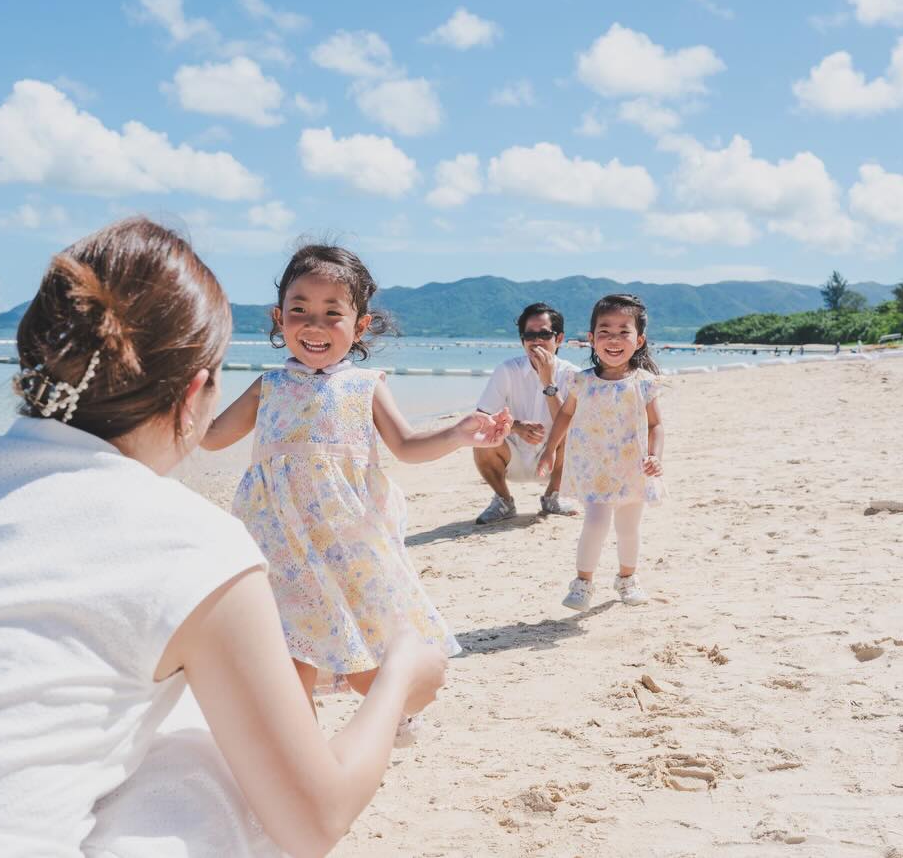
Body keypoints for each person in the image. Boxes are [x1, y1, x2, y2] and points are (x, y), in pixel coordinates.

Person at [0, 218, 448, 858]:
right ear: (196, 393)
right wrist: (395, 676)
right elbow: (314, 820)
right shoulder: (198, 544)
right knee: (210, 745)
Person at [202, 243, 510, 736]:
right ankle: (303, 754)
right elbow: (212, 437)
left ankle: (394, 710)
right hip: (276, 541)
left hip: (344, 542)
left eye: (332, 314)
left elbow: (407, 445)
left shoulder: (365, 385)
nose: (314, 326)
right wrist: (181, 395)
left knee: (358, 643)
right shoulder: (269, 386)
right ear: (279, 318)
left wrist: (457, 433)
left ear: (360, 325)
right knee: (289, 649)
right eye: (300, 311)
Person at [538, 294, 665, 611]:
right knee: (594, 523)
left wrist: (655, 456)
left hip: (632, 468)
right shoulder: (581, 381)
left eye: (624, 331)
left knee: (628, 529)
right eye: (605, 331)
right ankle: (582, 582)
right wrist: (549, 450)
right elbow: (565, 415)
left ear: (639, 340)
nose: (614, 339)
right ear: (591, 339)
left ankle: (627, 578)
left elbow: (655, 425)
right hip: (593, 467)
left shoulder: (644, 383)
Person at [472, 302, 582, 524]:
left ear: (559, 339)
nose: (536, 341)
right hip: (511, 455)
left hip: (555, 459)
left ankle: (553, 497)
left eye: (544, 334)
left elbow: (574, 423)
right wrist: (516, 426)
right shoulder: (507, 370)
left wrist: (549, 383)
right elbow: (480, 419)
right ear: (522, 340)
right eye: (529, 335)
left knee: (576, 433)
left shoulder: (573, 375)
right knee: (480, 437)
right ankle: (503, 500)